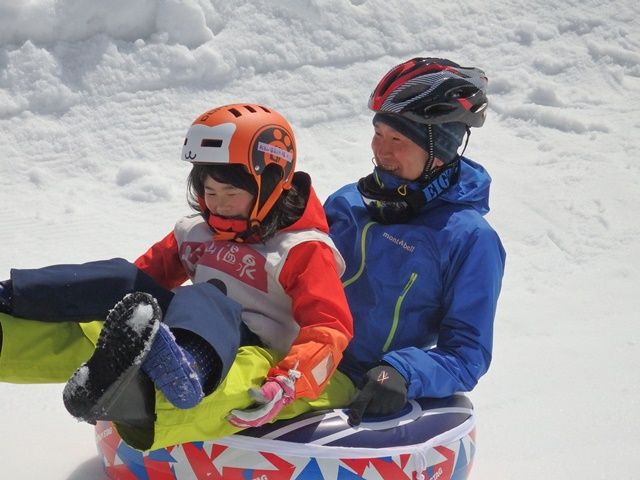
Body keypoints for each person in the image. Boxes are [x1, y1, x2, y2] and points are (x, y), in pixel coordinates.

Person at [0, 103, 353, 449]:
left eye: (231, 193)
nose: (218, 205)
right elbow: (141, 281)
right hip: (188, 328)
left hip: (257, 348)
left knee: (205, 297)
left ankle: (185, 368)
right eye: (209, 193)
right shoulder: (197, 231)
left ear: (272, 183)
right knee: (122, 279)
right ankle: (12, 299)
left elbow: (329, 328)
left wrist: (291, 380)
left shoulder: (301, 249)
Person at [322, 57, 506, 425]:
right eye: (378, 133)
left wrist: (402, 372)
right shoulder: (347, 202)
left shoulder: (468, 239)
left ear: (440, 153)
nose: (382, 151)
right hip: (298, 362)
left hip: (366, 396)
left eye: (399, 140)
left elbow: (467, 352)